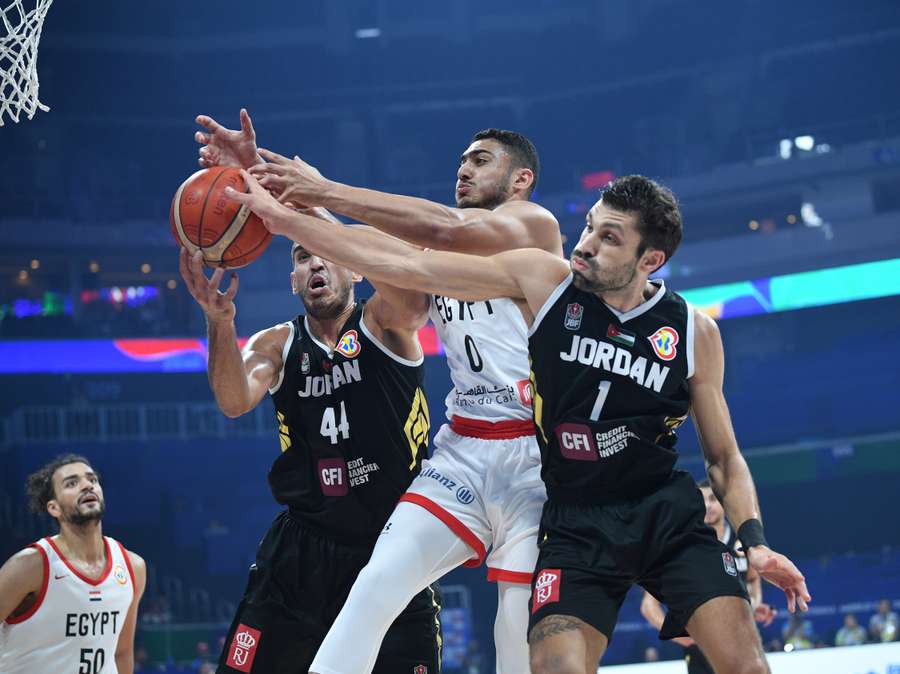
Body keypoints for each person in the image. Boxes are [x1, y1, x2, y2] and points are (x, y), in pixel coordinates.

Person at [225, 170, 812, 674]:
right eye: (589, 227)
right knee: (509, 646)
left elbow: (724, 457)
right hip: (567, 512)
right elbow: (404, 258)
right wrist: (287, 217)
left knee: (742, 663)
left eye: (609, 238)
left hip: (650, 505)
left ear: (649, 259)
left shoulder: (691, 331)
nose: (584, 245)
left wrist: (755, 543)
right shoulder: (544, 281)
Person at [196, 111, 561, 673]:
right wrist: (261, 171)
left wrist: (323, 191)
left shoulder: (533, 227)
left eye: (480, 159)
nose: (463, 167)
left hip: (531, 456)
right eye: (461, 159)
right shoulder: (434, 261)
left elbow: (441, 228)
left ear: (521, 181)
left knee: (515, 637)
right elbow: (364, 251)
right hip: (461, 451)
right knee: (371, 595)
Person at [178, 235, 440, 673]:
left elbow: (416, 305)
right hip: (302, 551)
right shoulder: (277, 343)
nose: (316, 264)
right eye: (303, 258)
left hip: (392, 544)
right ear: (293, 281)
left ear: (355, 268)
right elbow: (233, 399)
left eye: (330, 254)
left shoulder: (382, 322)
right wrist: (219, 321)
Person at [0, 454, 147, 674]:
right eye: (72, 483)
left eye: (92, 480)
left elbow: (121, 653)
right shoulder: (30, 566)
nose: (87, 486)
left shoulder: (132, 567)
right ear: (54, 508)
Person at [640, 479, 777, 673]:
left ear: (722, 502)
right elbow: (648, 605)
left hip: (742, 641)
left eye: (713, 499)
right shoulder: (681, 547)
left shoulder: (742, 544)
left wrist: (752, 606)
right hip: (702, 647)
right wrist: (681, 637)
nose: (707, 505)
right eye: (701, 500)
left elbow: (753, 581)